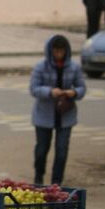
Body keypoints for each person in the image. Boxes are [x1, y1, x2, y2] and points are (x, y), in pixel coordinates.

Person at [29, 34, 87, 186]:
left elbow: (82, 87)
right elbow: (34, 89)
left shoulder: (74, 67)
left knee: (61, 151)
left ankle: (56, 181)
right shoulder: (41, 66)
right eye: (56, 51)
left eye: (61, 51)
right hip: (44, 114)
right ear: (51, 51)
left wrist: (73, 93)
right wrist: (49, 91)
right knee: (42, 149)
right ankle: (39, 176)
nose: (58, 55)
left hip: (65, 114)